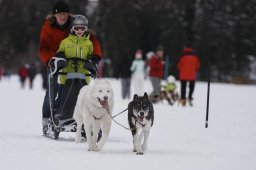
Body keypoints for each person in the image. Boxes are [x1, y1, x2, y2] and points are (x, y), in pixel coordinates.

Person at [39, 1, 102, 135]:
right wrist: (51, 61)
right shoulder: (48, 28)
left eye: (65, 14)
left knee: (77, 90)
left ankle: (82, 118)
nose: (62, 17)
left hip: (74, 64)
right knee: (52, 91)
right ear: (54, 15)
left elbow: (91, 41)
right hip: (54, 60)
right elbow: (43, 48)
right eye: (60, 14)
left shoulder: (75, 24)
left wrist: (94, 58)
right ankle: (48, 119)